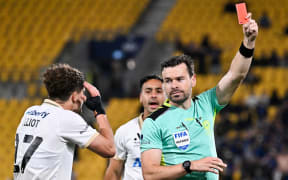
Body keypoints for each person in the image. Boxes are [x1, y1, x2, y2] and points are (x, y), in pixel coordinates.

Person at [140, 13, 258, 179]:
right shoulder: (153, 122)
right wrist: (190, 166)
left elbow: (235, 75)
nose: (173, 85)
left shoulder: (207, 103)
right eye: (168, 80)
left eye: (179, 79)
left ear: (193, 80)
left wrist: (249, 42)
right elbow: (150, 174)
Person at [13, 63, 115, 180]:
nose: (84, 97)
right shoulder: (67, 118)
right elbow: (110, 149)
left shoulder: (30, 112)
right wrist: (99, 109)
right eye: (82, 92)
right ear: (74, 96)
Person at [104, 75, 165, 180]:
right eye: (148, 91)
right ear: (141, 98)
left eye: (159, 91)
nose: (153, 95)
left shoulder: (178, 130)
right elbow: (114, 172)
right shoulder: (124, 131)